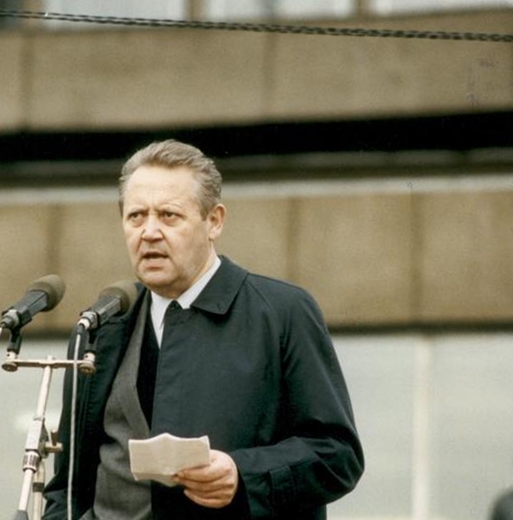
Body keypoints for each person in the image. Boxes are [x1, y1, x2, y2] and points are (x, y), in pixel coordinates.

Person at [42, 139, 364, 519]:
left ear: (214, 221)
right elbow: (67, 487)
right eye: (136, 216)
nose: (149, 232)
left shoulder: (283, 312)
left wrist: (242, 474)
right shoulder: (100, 327)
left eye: (169, 216)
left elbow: (337, 454)